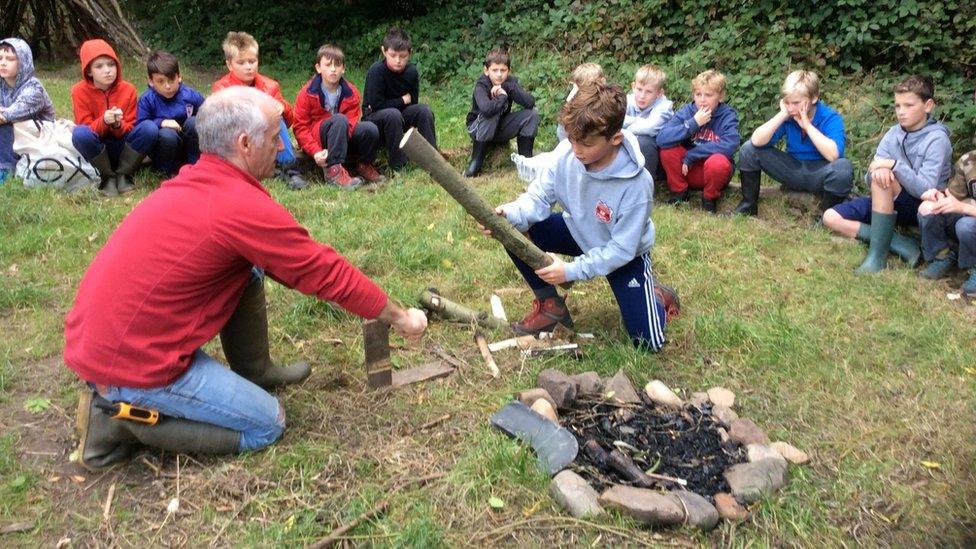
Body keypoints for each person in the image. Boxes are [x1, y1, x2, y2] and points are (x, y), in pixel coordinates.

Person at [66, 87, 428, 471]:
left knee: (248, 265)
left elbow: (291, 266)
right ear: (244, 143)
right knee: (266, 424)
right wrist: (400, 316)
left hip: (110, 341)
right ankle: (116, 419)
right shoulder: (237, 206)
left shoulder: (203, 178)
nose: (281, 146)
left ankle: (255, 370)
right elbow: (321, 271)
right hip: (134, 365)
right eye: (274, 137)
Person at [482, 83, 679, 351]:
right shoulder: (565, 153)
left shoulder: (637, 183)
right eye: (572, 139)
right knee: (513, 231)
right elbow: (537, 199)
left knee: (648, 344)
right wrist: (510, 214)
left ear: (615, 139)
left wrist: (571, 270)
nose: (576, 149)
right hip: (579, 230)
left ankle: (655, 297)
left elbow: (622, 248)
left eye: (585, 143)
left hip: (624, 254)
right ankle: (551, 308)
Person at [822, 75, 953, 273]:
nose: (901, 112)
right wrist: (881, 169)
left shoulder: (937, 139)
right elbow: (869, 177)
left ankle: (876, 257)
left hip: (923, 206)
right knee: (830, 217)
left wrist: (893, 166)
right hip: (886, 201)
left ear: (928, 105)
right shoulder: (893, 133)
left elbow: (926, 189)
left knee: (885, 177)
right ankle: (898, 243)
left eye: (908, 105)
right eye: (897, 106)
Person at [734, 70, 853, 216]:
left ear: (814, 98)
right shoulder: (788, 115)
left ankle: (824, 217)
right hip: (792, 169)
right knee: (748, 149)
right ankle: (748, 207)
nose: (791, 108)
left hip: (820, 173)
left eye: (796, 103)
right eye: (787, 102)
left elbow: (834, 155)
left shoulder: (830, 117)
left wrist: (808, 126)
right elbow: (757, 141)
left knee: (843, 168)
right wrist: (782, 114)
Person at [212, 31, 308, 190]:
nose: (248, 67)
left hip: (264, 134)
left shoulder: (270, 86)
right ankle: (248, 170)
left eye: (252, 61)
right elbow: (222, 126)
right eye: (241, 63)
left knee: (276, 118)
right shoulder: (221, 88)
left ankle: (291, 170)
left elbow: (289, 121)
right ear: (229, 65)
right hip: (237, 139)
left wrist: (282, 107)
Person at [71, 39, 157, 196]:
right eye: (99, 66)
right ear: (89, 71)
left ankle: (124, 175)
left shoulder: (128, 89)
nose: (107, 70)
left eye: (111, 64)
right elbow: (86, 128)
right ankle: (107, 177)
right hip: (98, 148)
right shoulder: (78, 91)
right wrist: (104, 121)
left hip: (124, 148)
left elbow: (132, 128)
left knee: (149, 128)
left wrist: (118, 125)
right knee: (79, 133)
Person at [293, 44, 385, 189]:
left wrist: (342, 141)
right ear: (318, 68)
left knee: (370, 129)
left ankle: (363, 165)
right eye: (328, 65)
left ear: (343, 68)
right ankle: (333, 172)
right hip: (319, 137)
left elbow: (352, 122)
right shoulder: (307, 93)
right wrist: (315, 151)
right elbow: (300, 127)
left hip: (343, 134)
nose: (333, 69)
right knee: (340, 119)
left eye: (337, 65)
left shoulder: (351, 93)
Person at [656, 69, 740, 213]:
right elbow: (662, 138)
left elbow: (730, 144)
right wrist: (693, 123)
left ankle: (709, 199)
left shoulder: (727, 115)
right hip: (687, 170)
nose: (702, 100)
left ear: (720, 97)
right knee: (668, 150)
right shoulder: (687, 111)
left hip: (713, 172)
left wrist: (693, 154)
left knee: (718, 162)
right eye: (698, 94)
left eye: (708, 95)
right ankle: (679, 193)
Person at [511, 62, 606, 184]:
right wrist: (569, 101)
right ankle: (534, 166)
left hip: (593, 151)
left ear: (602, 82)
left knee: (557, 158)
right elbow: (563, 130)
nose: (580, 93)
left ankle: (535, 167)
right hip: (573, 147)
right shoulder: (577, 103)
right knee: (560, 154)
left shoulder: (605, 103)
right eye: (578, 88)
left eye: (583, 89)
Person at [362, 27, 437, 171]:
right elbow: (375, 106)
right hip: (375, 120)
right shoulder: (376, 71)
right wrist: (401, 101)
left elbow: (412, 104)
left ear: (410, 53)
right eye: (393, 55)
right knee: (393, 114)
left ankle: (433, 160)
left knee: (424, 110)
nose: (398, 60)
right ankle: (399, 165)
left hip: (399, 117)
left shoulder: (412, 72)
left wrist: (404, 104)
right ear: (384, 51)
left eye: (402, 56)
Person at [463, 48, 539, 177]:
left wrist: (508, 87)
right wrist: (502, 97)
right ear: (486, 71)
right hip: (478, 129)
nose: (499, 74)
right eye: (495, 70)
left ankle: (525, 162)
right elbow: (486, 109)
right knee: (491, 113)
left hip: (500, 127)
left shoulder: (510, 82)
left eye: (503, 70)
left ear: (508, 71)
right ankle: (475, 164)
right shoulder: (481, 85)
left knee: (532, 115)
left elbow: (530, 103)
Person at [916, 150, 976, 297]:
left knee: (966, 226)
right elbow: (954, 197)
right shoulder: (969, 160)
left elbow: (961, 206)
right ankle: (943, 257)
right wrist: (938, 197)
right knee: (930, 208)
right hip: (968, 217)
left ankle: (972, 267)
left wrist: (965, 207)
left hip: (969, 222)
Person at [136, 50, 204, 176]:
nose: (167, 86)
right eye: (160, 81)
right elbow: (140, 126)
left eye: (171, 80)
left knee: (194, 122)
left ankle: (195, 166)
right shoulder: (147, 99)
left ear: (179, 77)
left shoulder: (190, 95)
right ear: (151, 81)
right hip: (164, 147)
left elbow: (208, 114)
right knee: (167, 134)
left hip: (189, 143)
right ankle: (165, 171)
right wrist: (161, 122)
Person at [0, 37, 55, 185]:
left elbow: (8, 115)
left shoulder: (33, 89)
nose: (3, 62)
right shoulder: (1, 84)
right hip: (16, 141)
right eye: (0, 58)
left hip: (40, 140)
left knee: (5, 125)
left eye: (10, 59)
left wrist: (4, 113)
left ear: (23, 62)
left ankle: (5, 170)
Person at [623, 63, 673, 178]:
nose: (642, 96)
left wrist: (626, 127)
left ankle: (647, 180)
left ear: (659, 93)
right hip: (633, 148)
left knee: (644, 140)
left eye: (648, 92)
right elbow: (614, 119)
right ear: (633, 86)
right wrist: (637, 120)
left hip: (656, 155)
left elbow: (650, 128)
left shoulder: (665, 106)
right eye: (639, 89)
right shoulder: (627, 100)